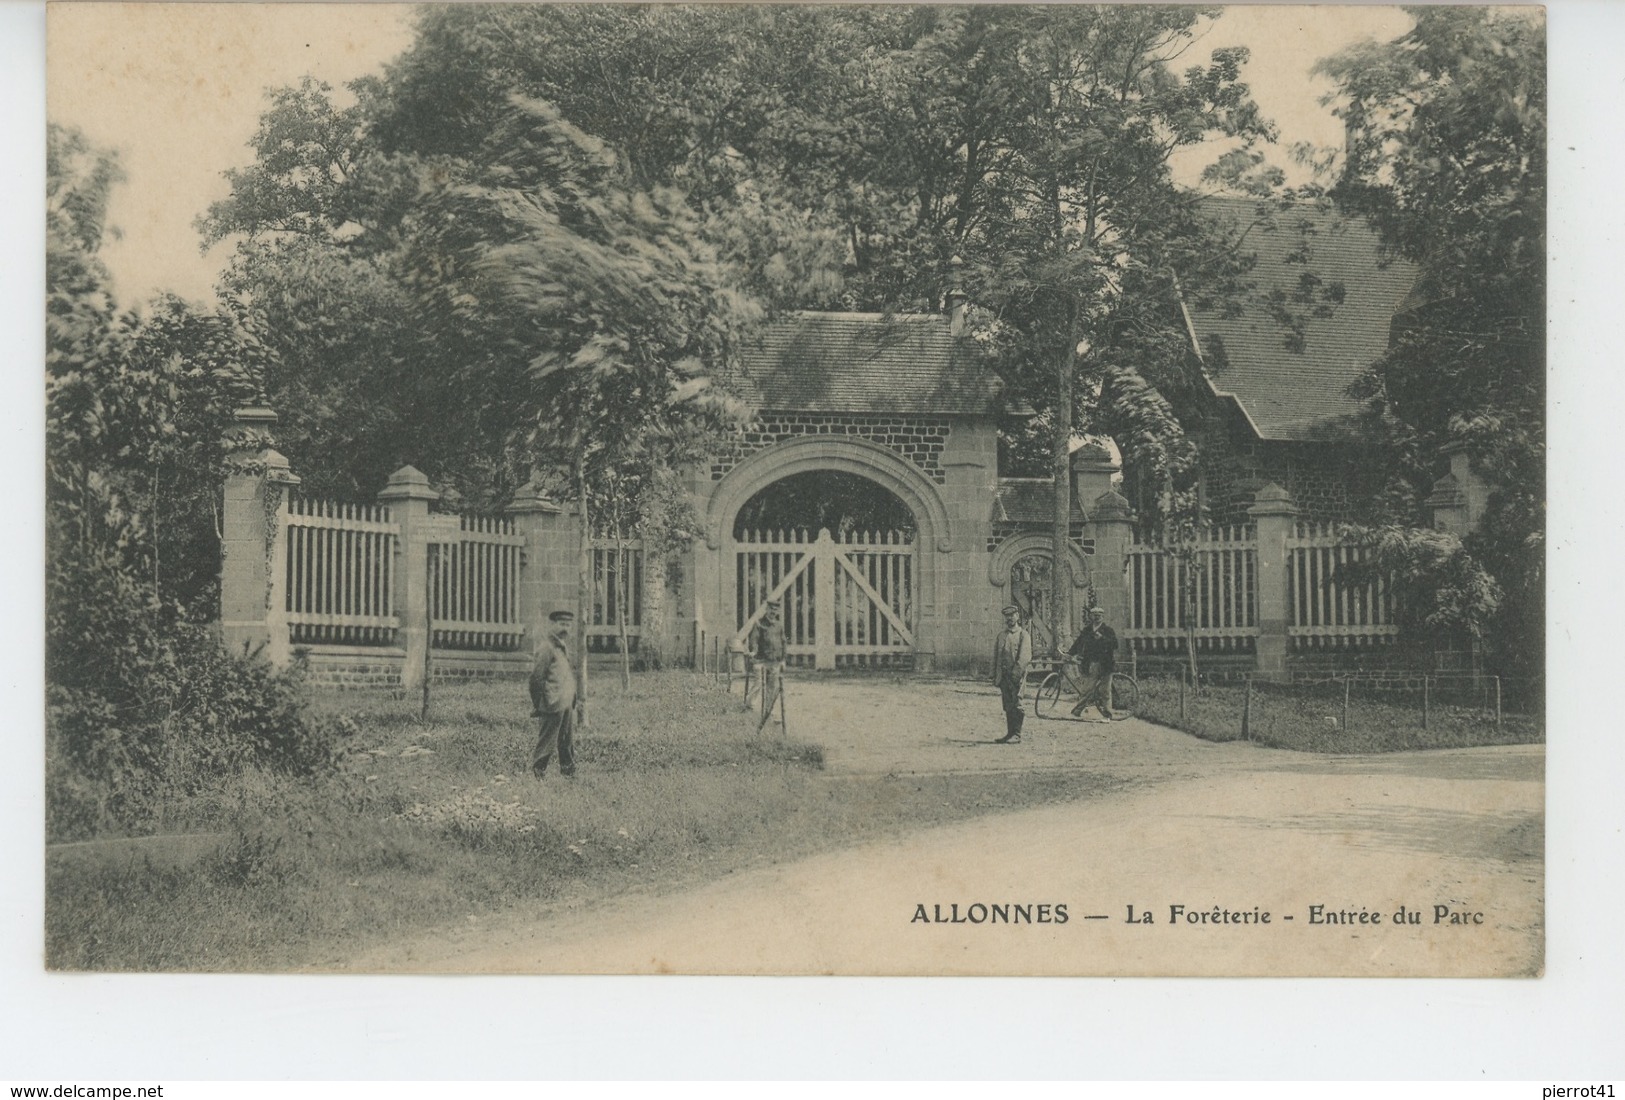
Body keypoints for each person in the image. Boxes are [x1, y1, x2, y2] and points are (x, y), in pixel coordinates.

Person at [529, 609, 579, 778]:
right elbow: (536, 678)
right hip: (552, 702)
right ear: (552, 625)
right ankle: (538, 774)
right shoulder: (546, 648)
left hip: (566, 702)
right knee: (547, 741)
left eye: (568, 625)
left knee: (566, 742)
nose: (565, 628)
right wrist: (540, 703)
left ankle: (569, 775)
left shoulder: (563, 647)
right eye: (561, 624)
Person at [1067, 605, 1118, 720]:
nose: (1097, 618)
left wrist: (1102, 638)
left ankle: (1108, 715)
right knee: (1087, 689)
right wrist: (1070, 653)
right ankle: (1077, 711)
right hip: (1091, 663)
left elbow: (1115, 645)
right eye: (1095, 615)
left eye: (1099, 616)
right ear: (1091, 616)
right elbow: (1078, 643)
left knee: (1105, 690)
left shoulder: (1108, 630)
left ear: (1103, 617)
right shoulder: (1087, 630)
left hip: (1106, 664)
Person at [991, 604, 1032, 744]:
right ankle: (1009, 733)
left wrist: (1016, 674)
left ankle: (1017, 734)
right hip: (1004, 676)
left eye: (1012, 615)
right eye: (1007, 616)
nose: (1009, 618)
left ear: (1017, 617)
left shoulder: (1023, 635)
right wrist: (994, 674)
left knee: (1017, 703)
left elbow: (1025, 657)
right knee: (1008, 704)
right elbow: (996, 655)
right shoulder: (1001, 635)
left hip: (1016, 676)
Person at [749, 599, 788, 733]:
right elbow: (754, 640)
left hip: (775, 661)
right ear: (766, 610)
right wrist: (753, 651)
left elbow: (783, 643)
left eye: (775, 610)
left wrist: (783, 660)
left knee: (772, 687)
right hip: (761, 660)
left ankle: (769, 711)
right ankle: (750, 706)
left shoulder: (779, 626)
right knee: (758, 683)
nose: (773, 613)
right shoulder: (759, 624)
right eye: (771, 609)